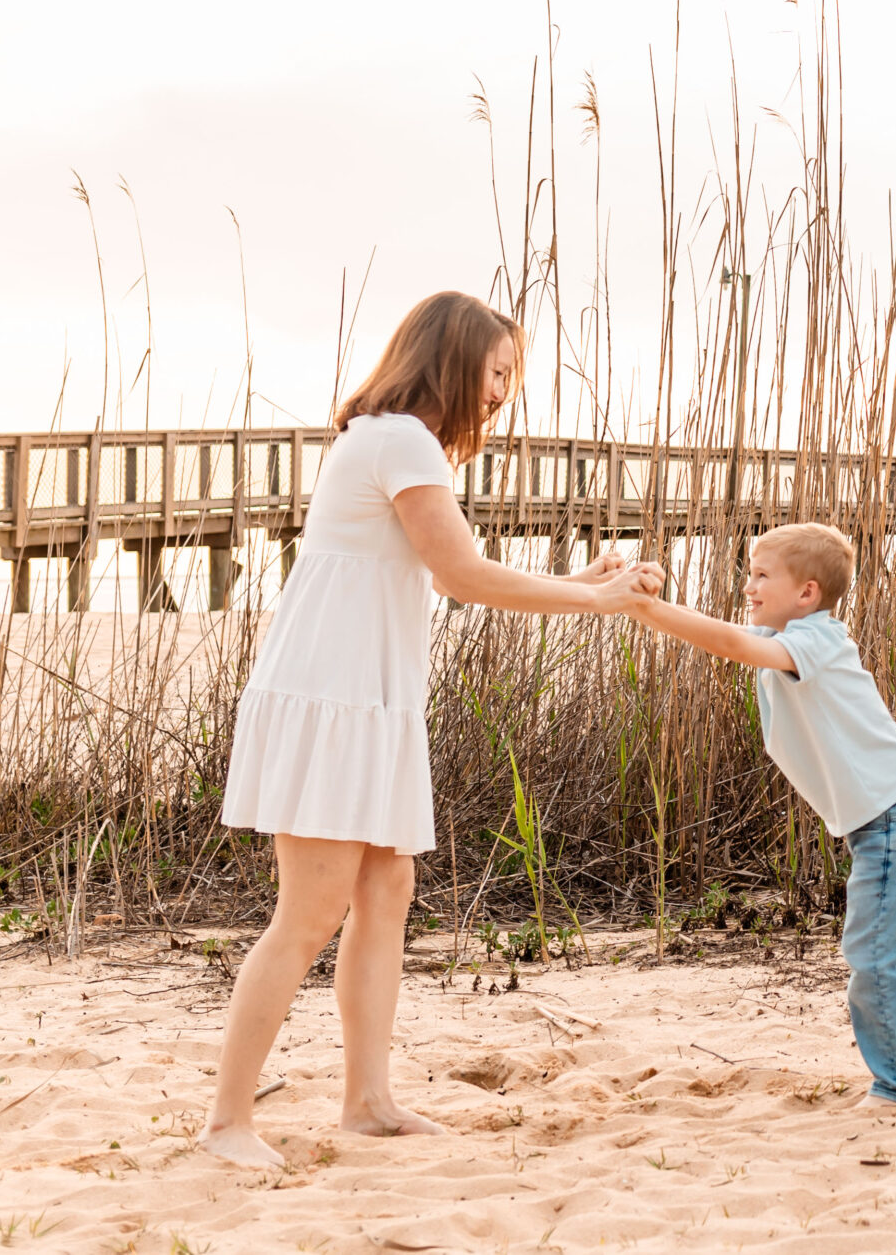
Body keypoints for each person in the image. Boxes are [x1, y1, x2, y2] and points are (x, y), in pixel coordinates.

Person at [201, 289, 662, 1169]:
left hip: (366, 698)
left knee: (386, 890)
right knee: (308, 913)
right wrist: (592, 597)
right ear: (453, 362)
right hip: (336, 697)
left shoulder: (382, 441)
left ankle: (368, 1102)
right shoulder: (401, 441)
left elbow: (446, 565)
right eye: (496, 373)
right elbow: (461, 575)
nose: (501, 393)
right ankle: (227, 1120)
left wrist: (576, 577)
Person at [618, 522, 896, 1107]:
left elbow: (733, 644)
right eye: (749, 573)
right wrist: (634, 598)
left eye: (761, 575)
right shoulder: (793, 637)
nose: (747, 586)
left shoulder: (815, 640)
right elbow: (737, 638)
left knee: (873, 952)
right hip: (888, 813)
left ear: (807, 594)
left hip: (891, 817)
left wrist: (649, 610)